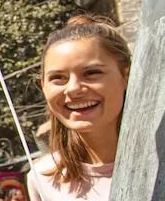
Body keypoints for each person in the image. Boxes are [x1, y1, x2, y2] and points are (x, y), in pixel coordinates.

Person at [26, 15, 130, 201]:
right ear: (43, 85)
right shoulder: (42, 178)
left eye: (92, 73)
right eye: (58, 78)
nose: (73, 89)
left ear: (126, 76)